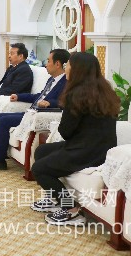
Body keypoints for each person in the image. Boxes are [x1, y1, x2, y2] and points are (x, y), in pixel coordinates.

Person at [30, 52, 119, 226]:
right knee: (42, 151)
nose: (66, 68)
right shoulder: (105, 89)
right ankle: (55, 198)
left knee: (39, 169)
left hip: (86, 151)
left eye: (68, 65)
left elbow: (65, 132)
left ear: (77, 69)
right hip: (101, 148)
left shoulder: (76, 94)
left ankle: (71, 210)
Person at [0, 49, 69, 171]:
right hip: (31, 112)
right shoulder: (52, 79)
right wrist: (19, 96)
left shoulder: (66, 82)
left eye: (49, 61)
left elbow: (66, 101)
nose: (46, 64)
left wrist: (50, 102)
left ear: (57, 64)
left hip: (38, 115)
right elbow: (39, 96)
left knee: (3, 121)